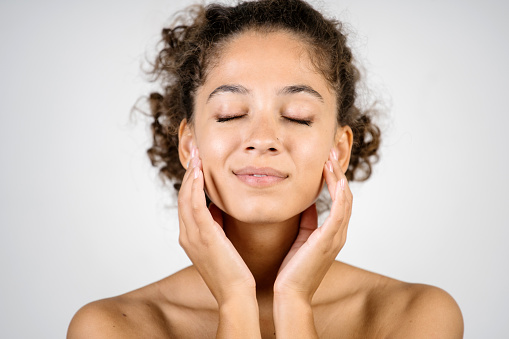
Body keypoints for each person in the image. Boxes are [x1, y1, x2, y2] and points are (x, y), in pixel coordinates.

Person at [67, 0, 463, 337]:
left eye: (297, 115)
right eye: (230, 114)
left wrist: (293, 302)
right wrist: (235, 300)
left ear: (339, 150)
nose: (262, 137)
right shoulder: (111, 327)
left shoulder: (416, 316)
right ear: (190, 145)